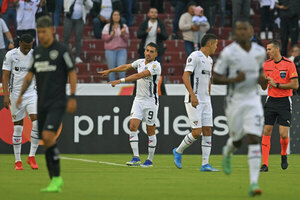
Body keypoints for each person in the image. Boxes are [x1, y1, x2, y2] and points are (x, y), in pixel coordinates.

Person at [16, 16, 77, 192]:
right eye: (39, 32)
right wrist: (19, 95)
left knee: (49, 136)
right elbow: (29, 75)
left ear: (51, 30)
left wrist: (72, 97)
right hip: (41, 102)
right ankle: (54, 181)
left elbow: (72, 73)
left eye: (44, 31)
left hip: (57, 102)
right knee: (46, 140)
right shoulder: (37, 53)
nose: (41, 35)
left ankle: (57, 178)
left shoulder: (61, 50)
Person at [213, 20, 267, 196]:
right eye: (239, 29)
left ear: (250, 31)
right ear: (236, 32)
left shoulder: (260, 52)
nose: (243, 32)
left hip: (253, 100)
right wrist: (233, 81)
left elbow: (261, 77)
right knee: (237, 141)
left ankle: (254, 183)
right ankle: (228, 151)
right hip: (234, 101)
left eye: (246, 29)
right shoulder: (229, 52)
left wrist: (262, 79)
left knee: (253, 138)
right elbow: (216, 77)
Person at [98, 42, 161, 167]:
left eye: (151, 51)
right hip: (138, 100)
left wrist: (120, 80)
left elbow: (139, 75)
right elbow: (126, 67)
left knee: (150, 130)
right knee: (132, 126)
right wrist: (111, 70)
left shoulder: (156, 66)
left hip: (150, 101)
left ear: (156, 54)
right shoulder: (140, 62)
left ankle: (149, 160)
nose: (148, 53)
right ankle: (136, 157)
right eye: (147, 50)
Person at [172, 33, 219, 172]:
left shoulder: (210, 60)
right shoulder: (195, 56)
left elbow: (209, 79)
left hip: (206, 100)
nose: (216, 47)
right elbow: (185, 76)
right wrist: (193, 95)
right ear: (210, 44)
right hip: (194, 99)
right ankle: (178, 151)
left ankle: (205, 164)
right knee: (197, 132)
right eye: (215, 44)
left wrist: (209, 95)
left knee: (208, 130)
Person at [2, 34, 39, 170]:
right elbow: (5, 76)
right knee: (18, 127)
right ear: (20, 44)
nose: (27, 50)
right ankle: (18, 161)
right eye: (25, 47)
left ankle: (31, 157)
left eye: (29, 48)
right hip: (15, 94)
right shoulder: (11, 55)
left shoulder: (35, 55)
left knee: (37, 122)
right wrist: (6, 96)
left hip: (31, 94)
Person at [260, 40, 298, 172]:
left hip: (284, 101)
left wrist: (277, 84)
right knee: (266, 131)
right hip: (271, 100)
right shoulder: (266, 65)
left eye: (270, 49)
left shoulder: (289, 64)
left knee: (283, 134)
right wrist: (262, 81)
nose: (267, 51)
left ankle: (283, 154)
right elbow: (264, 86)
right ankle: (265, 164)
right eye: (267, 49)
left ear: (277, 49)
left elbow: (295, 85)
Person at [102, 10, 129, 81]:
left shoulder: (124, 26)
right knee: (111, 71)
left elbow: (127, 38)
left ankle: (122, 88)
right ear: (112, 17)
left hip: (121, 51)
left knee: (122, 71)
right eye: (115, 15)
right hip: (110, 51)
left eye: (118, 15)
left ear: (120, 17)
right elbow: (104, 38)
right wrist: (111, 36)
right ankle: (112, 89)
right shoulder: (107, 26)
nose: (116, 16)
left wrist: (123, 35)